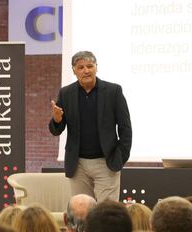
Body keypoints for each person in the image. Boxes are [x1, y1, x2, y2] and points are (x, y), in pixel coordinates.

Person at [49, 51, 132, 202]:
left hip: (106, 162)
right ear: (74, 70)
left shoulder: (113, 91)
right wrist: (56, 119)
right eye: (80, 67)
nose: (86, 70)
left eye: (89, 66)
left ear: (96, 68)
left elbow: (125, 128)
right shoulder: (66, 93)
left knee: (106, 213)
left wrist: (119, 158)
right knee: (82, 213)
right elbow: (56, 130)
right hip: (78, 164)